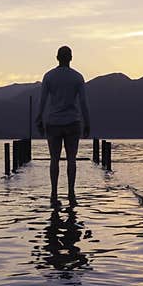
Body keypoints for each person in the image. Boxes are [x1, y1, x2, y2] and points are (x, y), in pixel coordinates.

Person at [35, 45, 91, 207]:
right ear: (71, 58)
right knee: (71, 160)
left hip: (53, 122)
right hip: (73, 122)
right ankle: (71, 193)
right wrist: (87, 122)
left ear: (57, 57)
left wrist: (39, 119)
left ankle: (53, 193)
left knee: (54, 159)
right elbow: (83, 103)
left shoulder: (49, 76)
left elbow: (43, 100)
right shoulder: (77, 77)